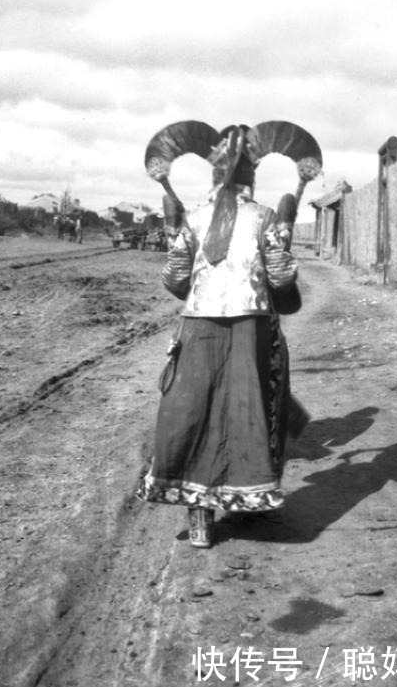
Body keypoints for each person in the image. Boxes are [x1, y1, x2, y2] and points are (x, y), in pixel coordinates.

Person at [136, 120, 322, 548]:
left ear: (214, 174)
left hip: (198, 327)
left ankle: (199, 516)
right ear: (250, 176)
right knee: (247, 410)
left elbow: (175, 278)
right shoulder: (264, 217)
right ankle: (246, 498)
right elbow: (280, 280)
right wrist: (283, 262)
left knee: (191, 412)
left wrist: (195, 279)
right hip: (249, 329)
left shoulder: (194, 218)